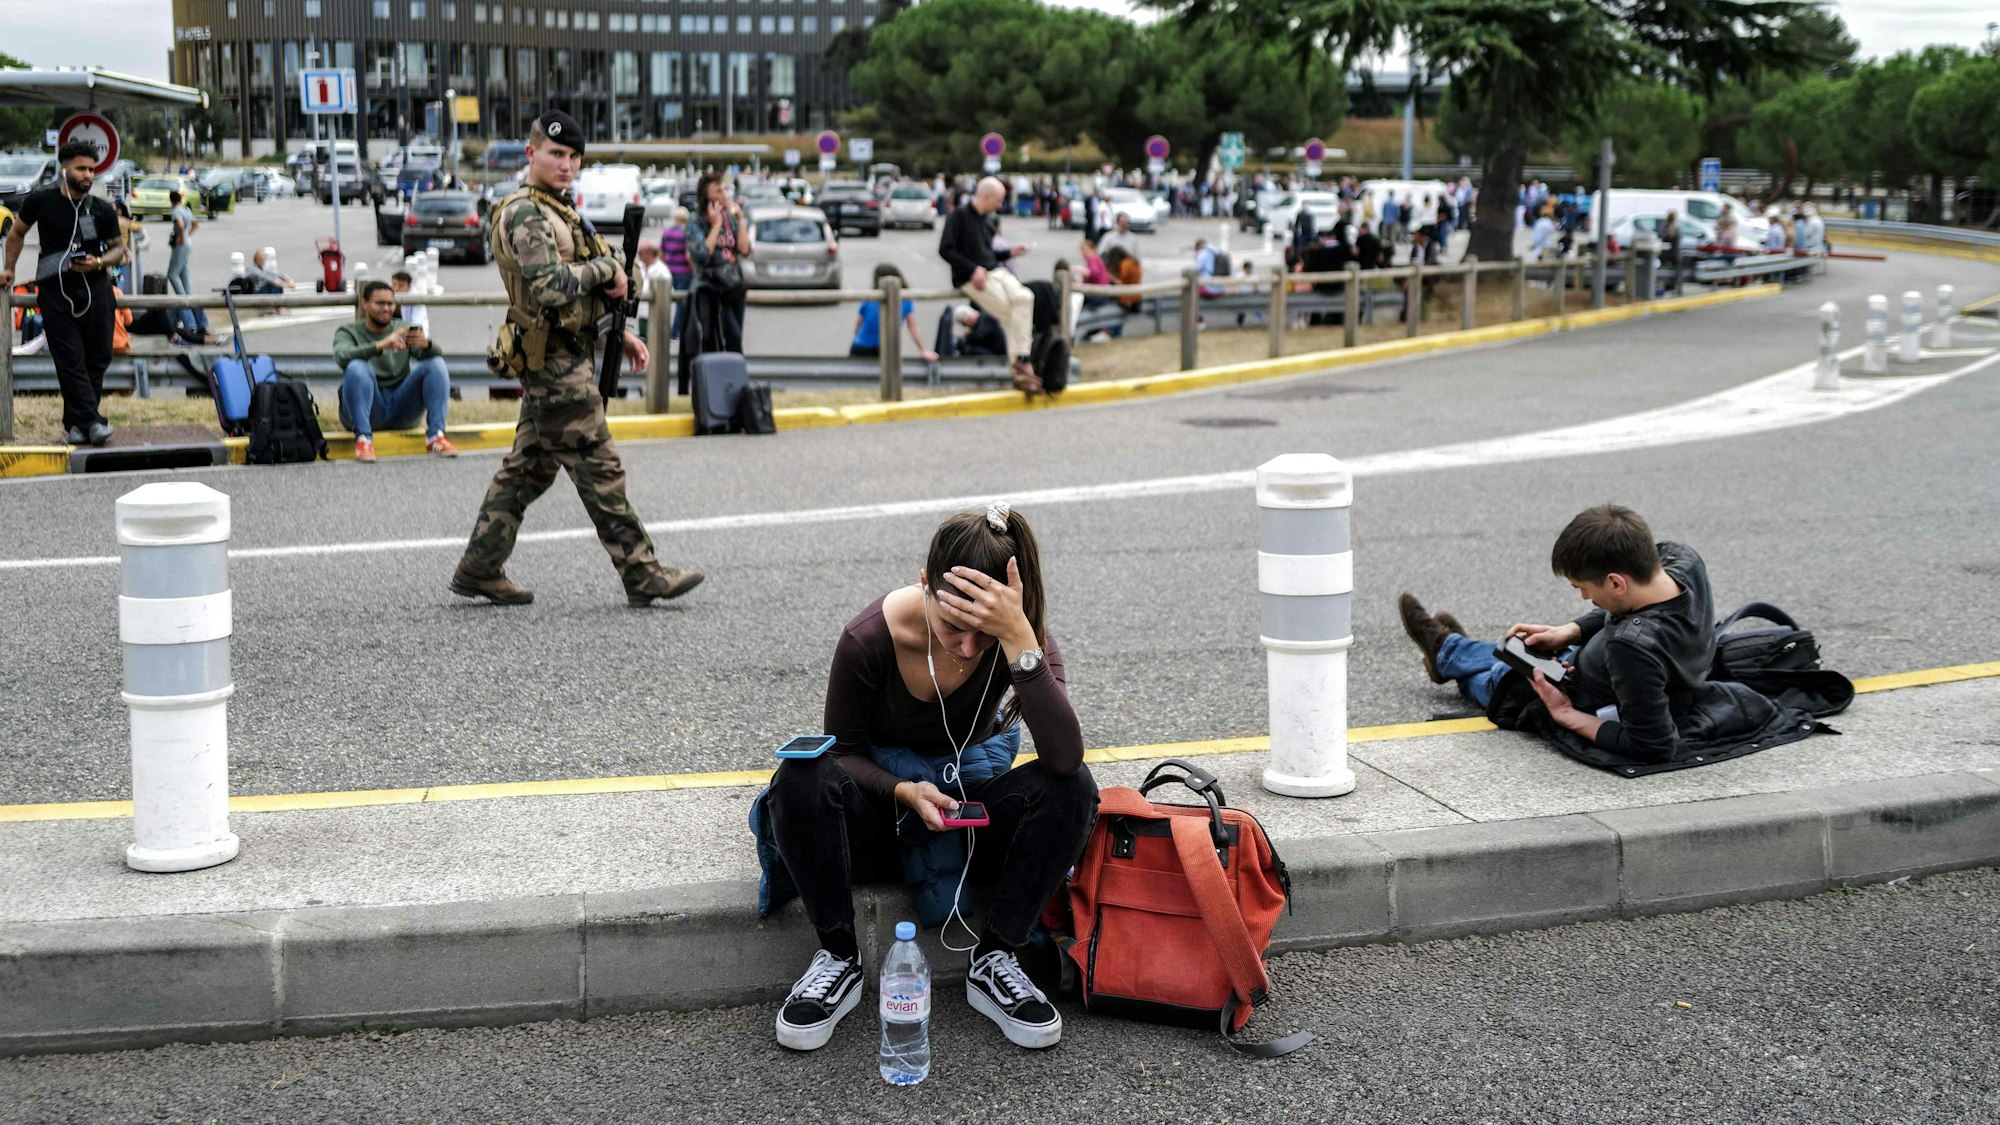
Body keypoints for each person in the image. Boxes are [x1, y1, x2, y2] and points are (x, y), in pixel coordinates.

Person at [759, 504, 1096, 1052]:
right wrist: (903, 791)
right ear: (925, 585)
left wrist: (1018, 642)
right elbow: (841, 754)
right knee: (801, 776)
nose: (967, 649)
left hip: (965, 823)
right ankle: (838, 959)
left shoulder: (1018, 637)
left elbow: (1064, 758)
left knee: (1072, 787)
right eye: (952, 629)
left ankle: (995, 958)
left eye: (983, 635)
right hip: (883, 822)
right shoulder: (869, 638)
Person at [452, 110, 703, 609]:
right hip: (555, 365)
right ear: (532, 153)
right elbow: (549, 287)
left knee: (528, 469)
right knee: (599, 466)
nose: (566, 164)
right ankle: (642, 571)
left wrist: (619, 332)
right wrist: (607, 266)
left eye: (573, 157)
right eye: (556, 154)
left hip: (565, 354)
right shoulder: (525, 213)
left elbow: (583, 296)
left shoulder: (557, 209)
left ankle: (480, 566)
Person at [1396, 505, 1721, 764]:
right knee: (1520, 651)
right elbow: (1631, 609)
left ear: (1616, 583)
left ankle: (1447, 652)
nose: (1583, 597)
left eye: (1583, 588)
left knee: (1501, 679)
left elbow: (1655, 745)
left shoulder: (1632, 648)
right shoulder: (1681, 560)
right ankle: (1449, 653)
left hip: (1569, 691)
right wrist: (1572, 630)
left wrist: (1566, 715)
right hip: (1583, 664)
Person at [0, 140, 127, 446]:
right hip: (55, 289)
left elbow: (118, 250)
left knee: (99, 356)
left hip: (96, 287)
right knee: (69, 357)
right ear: (65, 168)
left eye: (92, 169)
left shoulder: (100, 209)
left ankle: (76, 423)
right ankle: (94, 422)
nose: (88, 175)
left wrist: (97, 261)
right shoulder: (40, 200)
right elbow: (16, 233)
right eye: (81, 168)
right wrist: (9, 269)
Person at [333, 280, 454, 462]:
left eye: (391, 303)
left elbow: (431, 356)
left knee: (436, 364)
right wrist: (381, 345)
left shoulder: (402, 328)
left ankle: (436, 436)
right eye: (380, 303)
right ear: (364, 304)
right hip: (367, 408)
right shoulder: (348, 332)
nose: (387, 308)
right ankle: (363, 440)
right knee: (357, 367)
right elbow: (342, 356)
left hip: (401, 408)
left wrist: (427, 345)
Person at [939, 176, 1039, 393]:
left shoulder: (986, 220)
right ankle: (1021, 365)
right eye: (999, 200)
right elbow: (945, 249)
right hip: (971, 276)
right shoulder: (959, 216)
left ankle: (1020, 361)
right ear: (986, 196)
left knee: (1025, 298)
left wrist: (1008, 252)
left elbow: (986, 253)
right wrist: (972, 269)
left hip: (995, 271)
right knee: (1011, 311)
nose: (1000, 205)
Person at [680, 170, 749, 392]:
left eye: (724, 189)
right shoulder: (697, 220)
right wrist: (716, 225)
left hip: (734, 286)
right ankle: (724, 387)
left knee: (736, 338)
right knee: (726, 339)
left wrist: (740, 219)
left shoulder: (731, 217)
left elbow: (744, 249)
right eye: (718, 190)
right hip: (712, 289)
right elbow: (700, 254)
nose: (724, 194)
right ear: (706, 196)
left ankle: (734, 387)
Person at [850, 264, 938, 361]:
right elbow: (913, 327)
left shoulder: (870, 297)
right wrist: (923, 350)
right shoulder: (905, 299)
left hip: (861, 346)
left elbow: (858, 326)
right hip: (887, 348)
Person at [166, 190, 212, 341]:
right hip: (188, 242)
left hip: (181, 244)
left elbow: (179, 224)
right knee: (184, 271)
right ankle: (187, 295)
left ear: (171, 200)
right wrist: (187, 235)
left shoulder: (176, 211)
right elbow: (195, 223)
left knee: (172, 274)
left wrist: (180, 237)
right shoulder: (186, 209)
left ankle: (183, 298)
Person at [659, 205, 693, 342]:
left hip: (670, 270)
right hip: (684, 272)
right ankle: (675, 331)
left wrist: (665, 266)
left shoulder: (667, 232)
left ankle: (664, 329)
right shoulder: (686, 233)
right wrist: (694, 270)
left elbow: (661, 253)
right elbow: (688, 255)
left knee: (667, 299)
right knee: (681, 302)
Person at [632, 241, 672, 342]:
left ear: (649, 253)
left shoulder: (662, 271)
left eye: (641, 252)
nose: (638, 254)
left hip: (656, 317)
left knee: (655, 343)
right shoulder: (639, 267)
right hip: (642, 314)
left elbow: (668, 293)